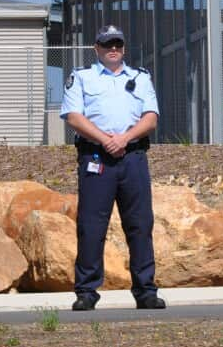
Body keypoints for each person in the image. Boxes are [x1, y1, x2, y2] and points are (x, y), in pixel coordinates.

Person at [60, 25, 164, 311]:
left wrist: (124, 139)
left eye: (117, 44)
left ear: (124, 48)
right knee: (91, 227)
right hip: (97, 158)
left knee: (140, 225)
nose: (113, 49)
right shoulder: (82, 77)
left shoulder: (140, 78)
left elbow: (151, 118)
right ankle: (87, 292)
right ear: (97, 48)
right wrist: (106, 140)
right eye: (107, 45)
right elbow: (73, 117)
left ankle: (146, 291)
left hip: (133, 158)